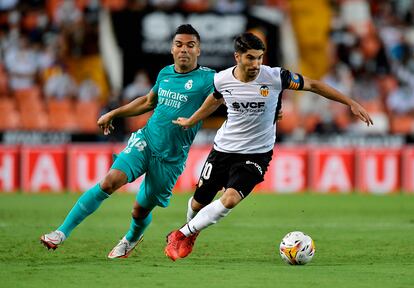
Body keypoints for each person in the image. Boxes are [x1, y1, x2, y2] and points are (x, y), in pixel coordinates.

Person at [164, 32, 373, 261]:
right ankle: (191, 232)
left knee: (230, 199)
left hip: (257, 153)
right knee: (198, 202)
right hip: (223, 149)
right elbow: (215, 99)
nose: (256, 64)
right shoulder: (222, 79)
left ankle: (181, 234)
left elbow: (312, 85)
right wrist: (192, 119)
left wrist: (350, 103)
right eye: (251, 58)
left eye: (260, 58)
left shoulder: (276, 77)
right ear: (237, 57)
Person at [40, 24, 216, 259]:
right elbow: (147, 102)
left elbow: (234, 91)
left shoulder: (209, 78)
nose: (184, 49)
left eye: (190, 45)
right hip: (146, 141)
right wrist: (114, 113)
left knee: (140, 210)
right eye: (179, 44)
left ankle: (131, 238)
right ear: (172, 49)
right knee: (109, 181)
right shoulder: (165, 73)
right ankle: (61, 232)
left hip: (170, 159)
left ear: (199, 50)